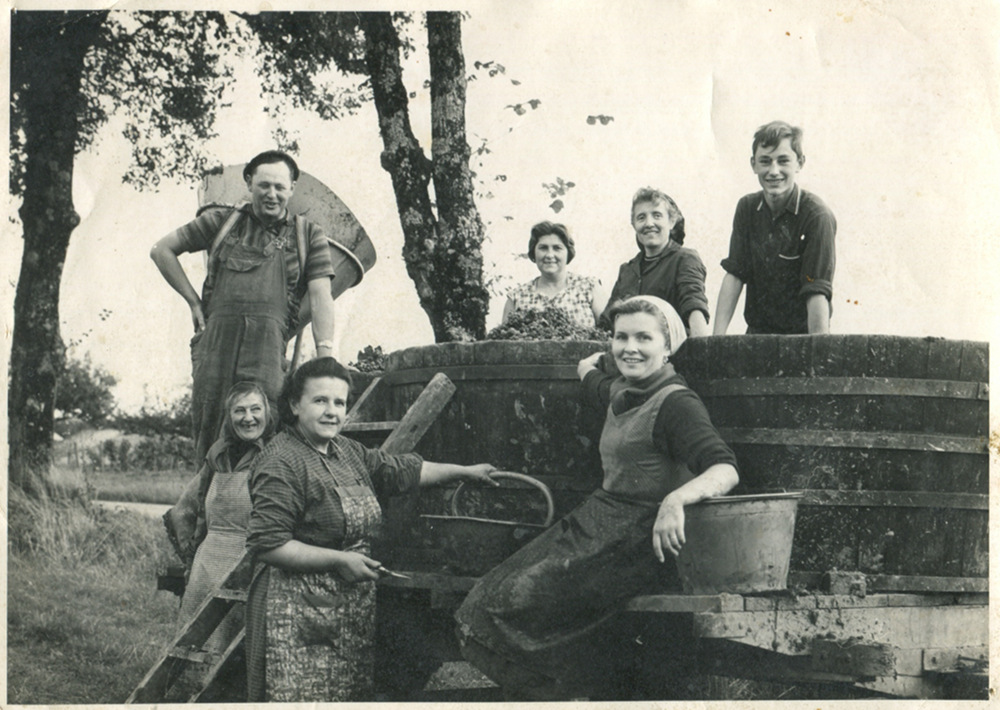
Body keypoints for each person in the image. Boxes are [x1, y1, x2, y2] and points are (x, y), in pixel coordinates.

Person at [455, 296, 739, 700]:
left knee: (510, 605)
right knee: (484, 602)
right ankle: (563, 693)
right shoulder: (624, 391)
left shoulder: (677, 403)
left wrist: (675, 500)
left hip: (637, 538)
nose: (630, 348)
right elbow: (598, 382)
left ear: (668, 345)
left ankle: (570, 691)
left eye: (644, 337)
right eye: (621, 337)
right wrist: (585, 368)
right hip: (598, 520)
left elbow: (725, 468)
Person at [243, 357, 499, 702]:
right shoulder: (281, 461)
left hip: (346, 605)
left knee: (346, 694)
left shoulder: (344, 450)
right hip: (295, 607)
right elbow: (269, 545)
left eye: (339, 402)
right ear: (293, 404)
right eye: (320, 401)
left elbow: (400, 471)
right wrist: (339, 560)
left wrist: (464, 472)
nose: (332, 411)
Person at [150, 150, 337, 463]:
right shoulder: (222, 221)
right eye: (264, 185)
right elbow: (161, 250)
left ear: (292, 187)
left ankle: (260, 508)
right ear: (249, 183)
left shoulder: (308, 235)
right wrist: (193, 301)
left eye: (280, 187)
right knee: (210, 430)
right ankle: (205, 509)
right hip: (215, 346)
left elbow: (321, 296)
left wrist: (326, 357)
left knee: (264, 429)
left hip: (267, 348)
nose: (272, 194)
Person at [170, 382, 274, 678]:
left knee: (236, 647)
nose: (248, 418)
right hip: (209, 559)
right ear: (229, 417)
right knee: (195, 641)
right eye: (239, 410)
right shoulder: (216, 457)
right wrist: (192, 554)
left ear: (267, 412)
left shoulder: (275, 455)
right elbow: (192, 509)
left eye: (256, 409)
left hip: (248, 558)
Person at [713, 121, 837, 334]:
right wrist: (716, 339)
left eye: (783, 161)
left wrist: (819, 357)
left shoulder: (816, 215)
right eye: (765, 161)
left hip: (802, 339)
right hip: (757, 336)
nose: (773, 171)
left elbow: (816, 291)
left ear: (799, 163)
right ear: (753, 164)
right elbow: (735, 274)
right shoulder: (747, 208)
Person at [599, 188, 712, 337]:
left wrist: (702, 352)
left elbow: (693, 305)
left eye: (657, 215)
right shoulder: (627, 270)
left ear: (671, 222)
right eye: (641, 218)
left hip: (670, 354)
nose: (649, 223)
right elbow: (607, 323)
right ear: (634, 225)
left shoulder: (684, 259)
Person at [502, 221, 609, 329]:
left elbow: (612, 335)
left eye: (557, 248)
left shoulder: (589, 288)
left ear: (568, 253)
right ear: (533, 252)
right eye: (543, 248)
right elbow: (502, 342)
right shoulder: (517, 297)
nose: (549, 255)